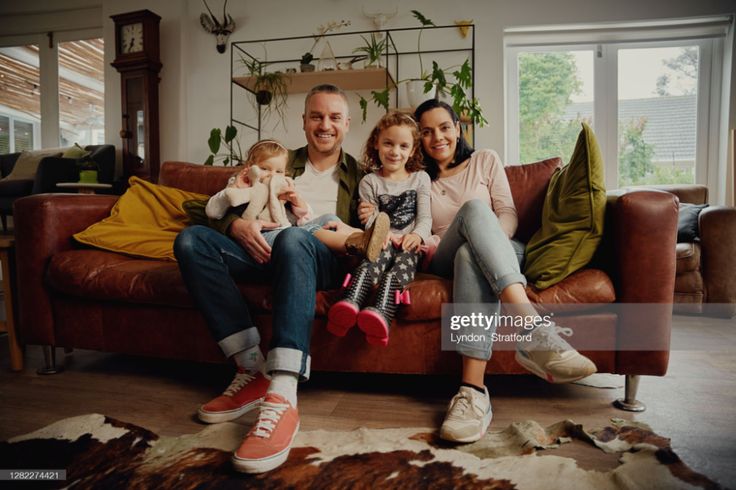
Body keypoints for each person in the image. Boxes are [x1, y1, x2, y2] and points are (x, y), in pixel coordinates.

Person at [358, 99, 596, 444]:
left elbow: (508, 213)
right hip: (441, 253)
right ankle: (532, 329)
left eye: (444, 127)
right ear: (418, 139)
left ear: (458, 128)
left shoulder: (485, 160)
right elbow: (397, 209)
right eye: (426, 131)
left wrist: (487, 244)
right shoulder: (419, 179)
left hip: (501, 247)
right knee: (470, 216)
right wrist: (371, 211)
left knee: (473, 249)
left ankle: (471, 393)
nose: (437, 136)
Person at [174, 84, 362, 474]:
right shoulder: (274, 159)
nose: (324, 125)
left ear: (347, 123)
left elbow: (362, 238)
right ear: (304, 121)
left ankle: (282, 393)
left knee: (295, 237)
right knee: (192, 241)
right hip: (262, 248)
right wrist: (239, 225)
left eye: (333, 118)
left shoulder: (361, 174)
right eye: (316, 116)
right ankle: (250, 368)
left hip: (320, 257)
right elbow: (227, 200)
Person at [327, 111, 431, 346]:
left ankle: (380, 314)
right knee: (373, 260)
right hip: (381, 240)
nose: (395, 152)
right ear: (376, 143)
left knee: (398, 269)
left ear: (413, 150)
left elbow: (425, 218)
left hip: (408, 245)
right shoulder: (369, 182)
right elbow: (370, 221)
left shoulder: (420, 179)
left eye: (404, 146)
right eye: (388, 143)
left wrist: (416, 235)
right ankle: (349, 303)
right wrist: (380, 233)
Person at [205, 138, 389, 260]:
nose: (271, 175)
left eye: (278, 171)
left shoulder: (359, 173)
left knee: (328, 219)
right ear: (250, 167)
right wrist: (234, 195)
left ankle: (362, 236)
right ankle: (356, 243)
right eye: (264, 168)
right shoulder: (242, 183)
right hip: (266, 238)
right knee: (296, 235)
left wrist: (296, 203)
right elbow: (214, 210)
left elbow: (302, 219)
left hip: (299, 240)